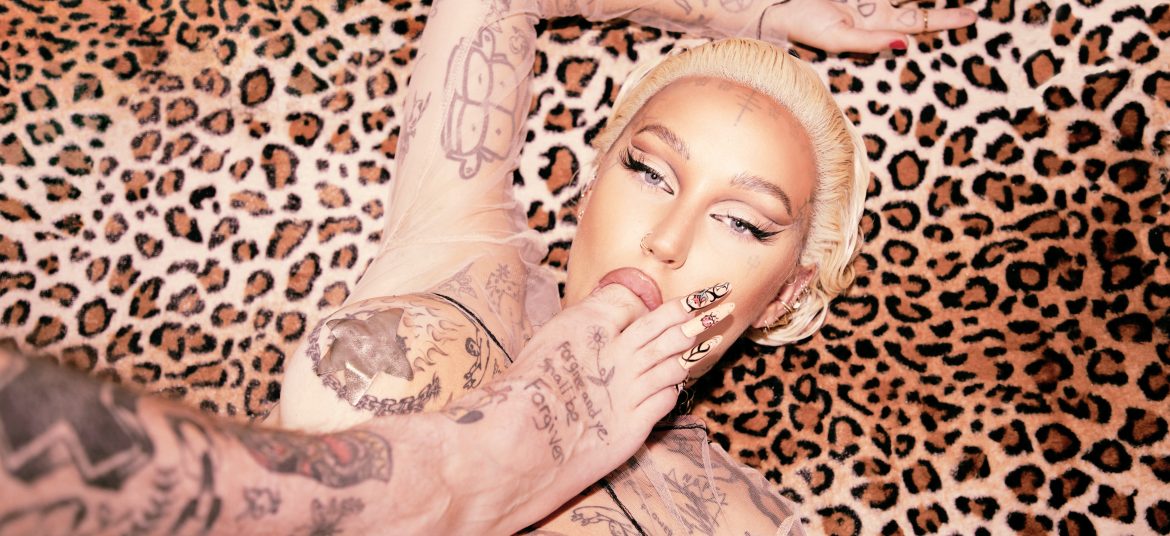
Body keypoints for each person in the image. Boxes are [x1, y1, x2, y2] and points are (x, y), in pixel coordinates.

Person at [0, 0, 976, 534]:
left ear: (787, 298)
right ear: (592, 178)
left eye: (742, 221)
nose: (667, 239)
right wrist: (751, 11)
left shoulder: (744, 515)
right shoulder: (472, 254)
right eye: (646, 171)